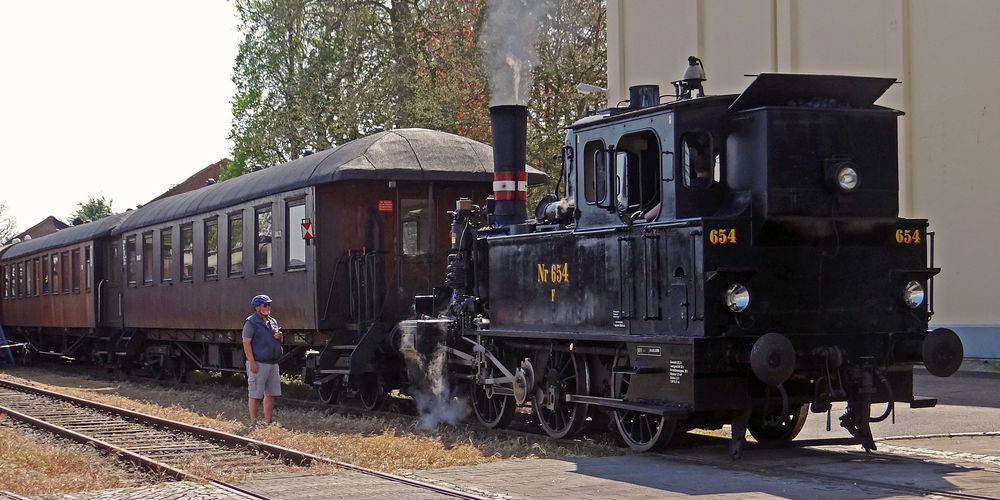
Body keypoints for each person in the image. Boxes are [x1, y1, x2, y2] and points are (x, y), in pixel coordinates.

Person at [242, 294, 283, 426]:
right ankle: (253, 421)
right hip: (258, 362)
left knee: (271, 393)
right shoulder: (251, 322)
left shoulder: (273, 321)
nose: (268, 307)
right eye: (265, 304)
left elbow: (276, 338)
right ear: (258, 307)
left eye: (269, 304)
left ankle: (267, 420)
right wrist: (252, 362)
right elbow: (246, 343)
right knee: (255, 394)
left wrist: (280, 337)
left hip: (272, 362)